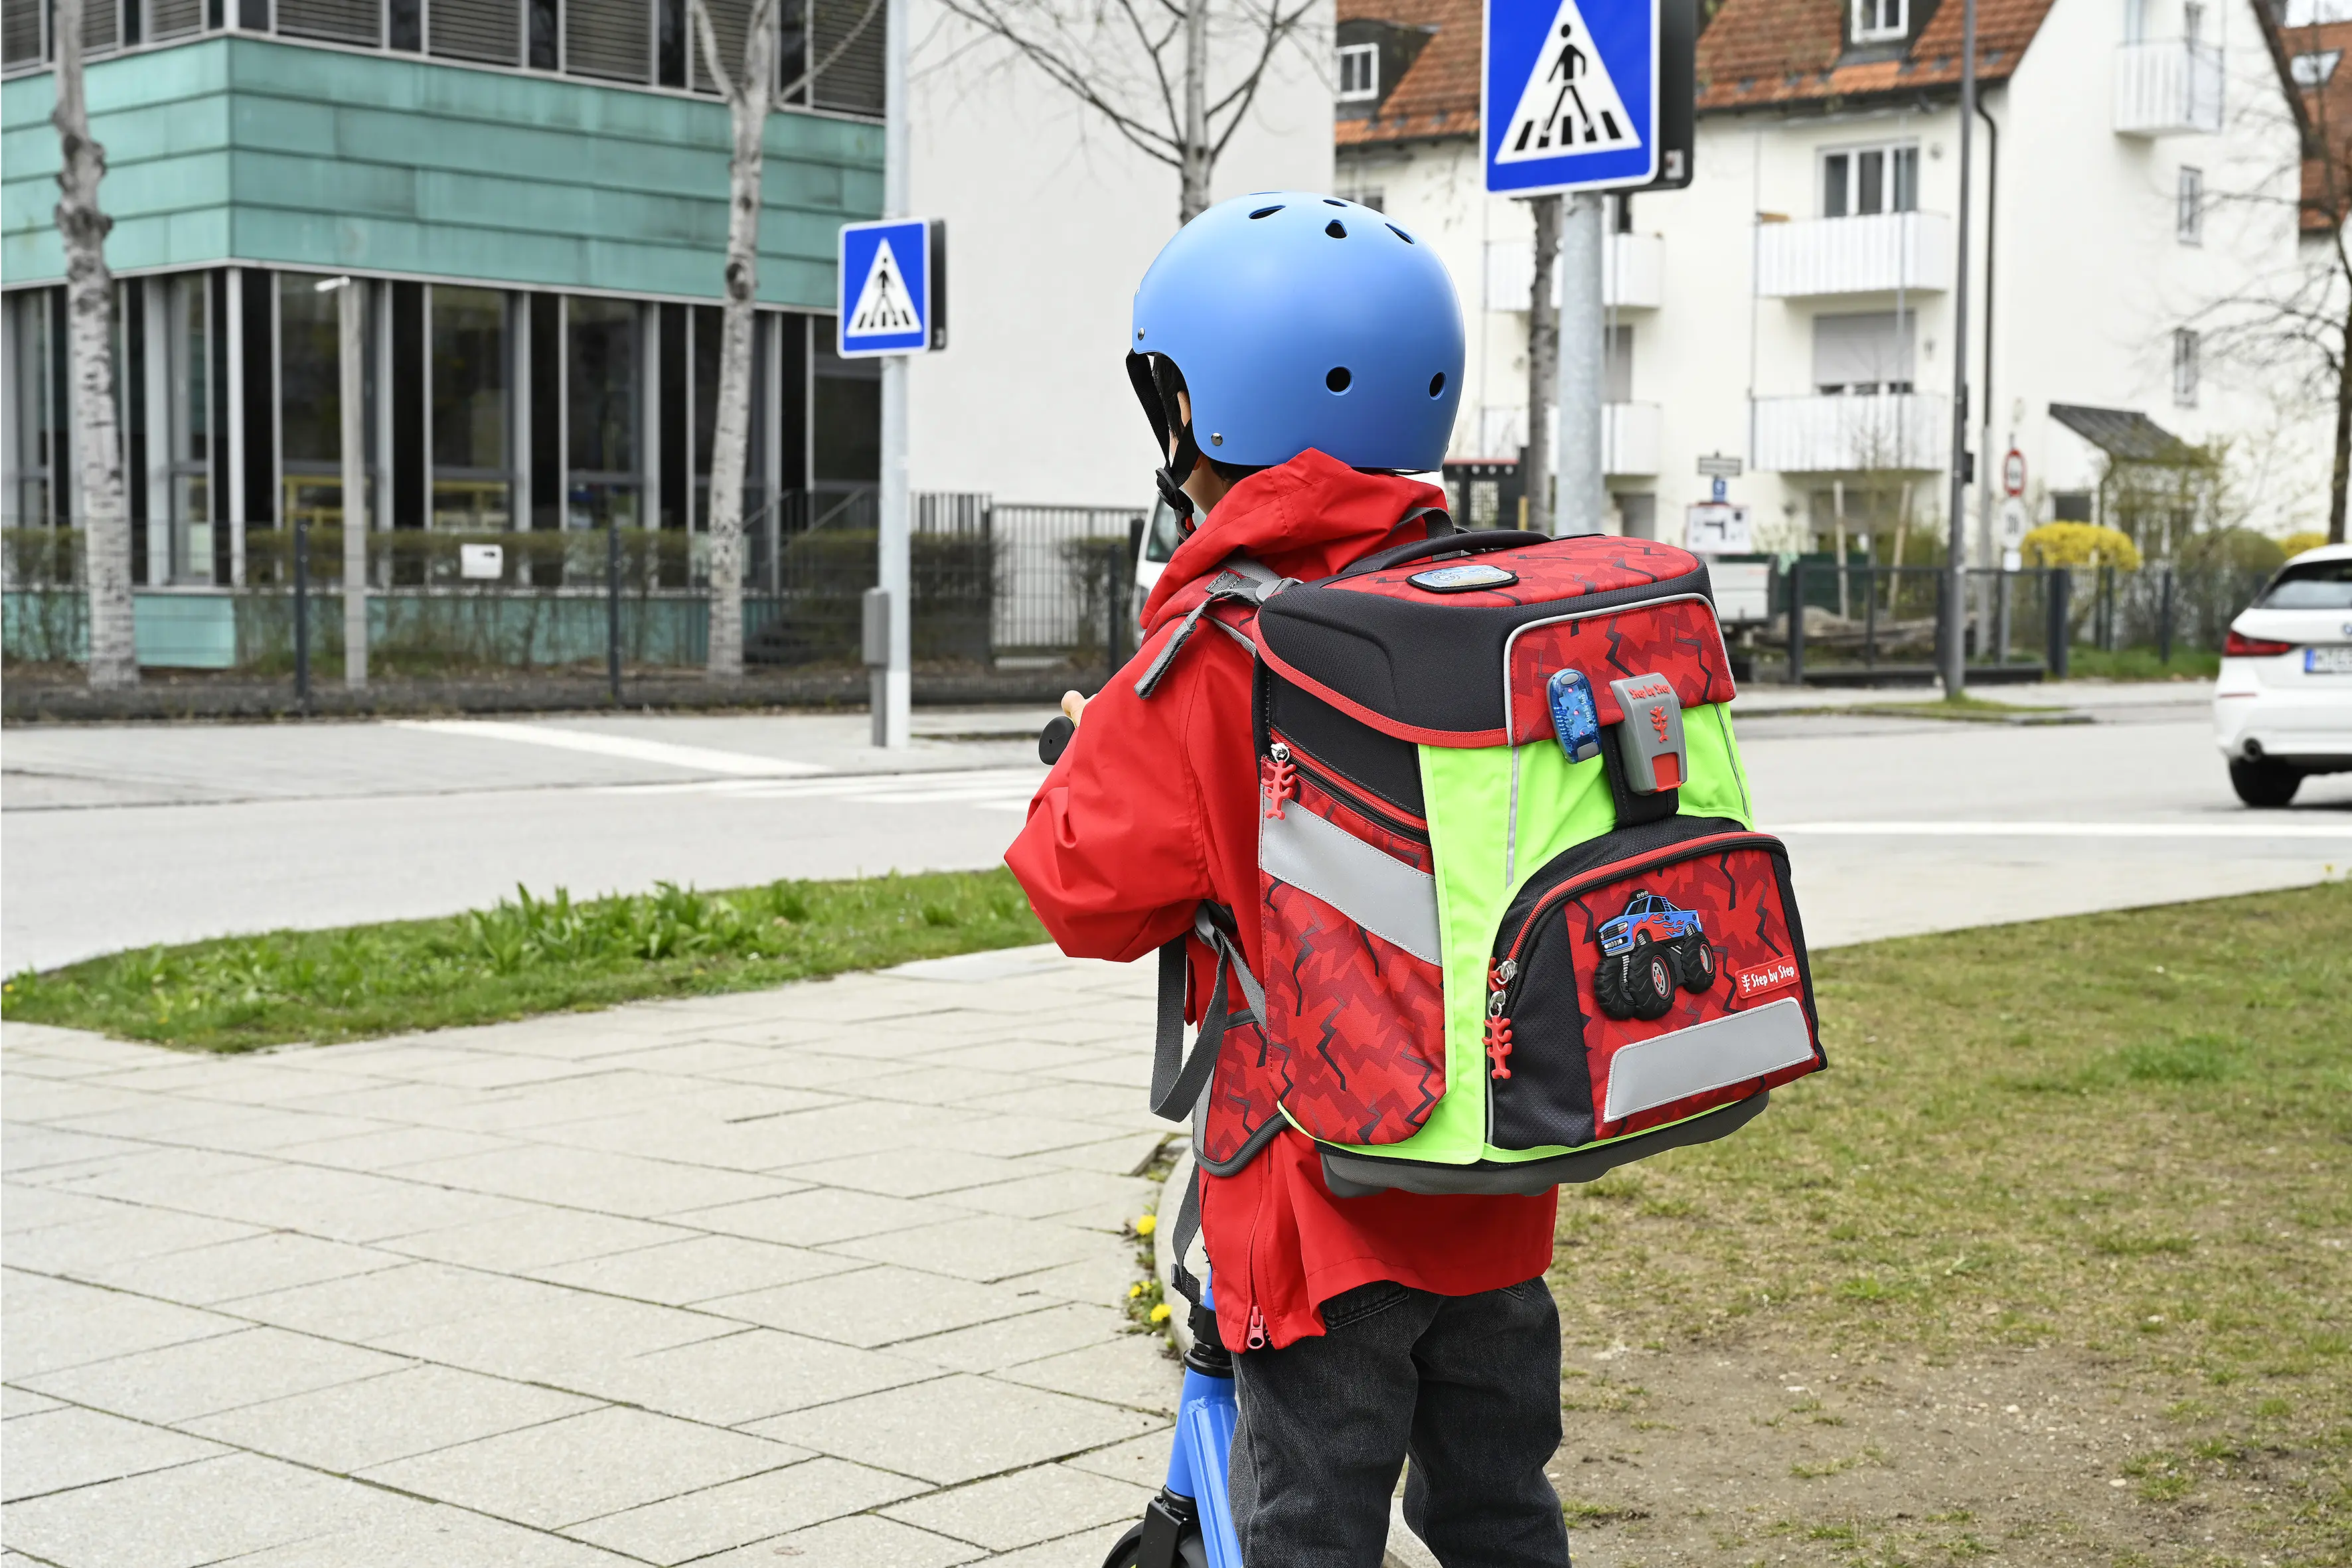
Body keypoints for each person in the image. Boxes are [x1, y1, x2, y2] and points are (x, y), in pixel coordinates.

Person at [1005, 193, 1574, 1568]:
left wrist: (1088, 749)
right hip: (1496, 1184)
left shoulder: (1218, 648)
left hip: (1318, 1203)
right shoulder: (1491, 604)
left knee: (1306, 1528)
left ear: (1208, 411)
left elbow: (1085, 890)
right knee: (1502, 1507)